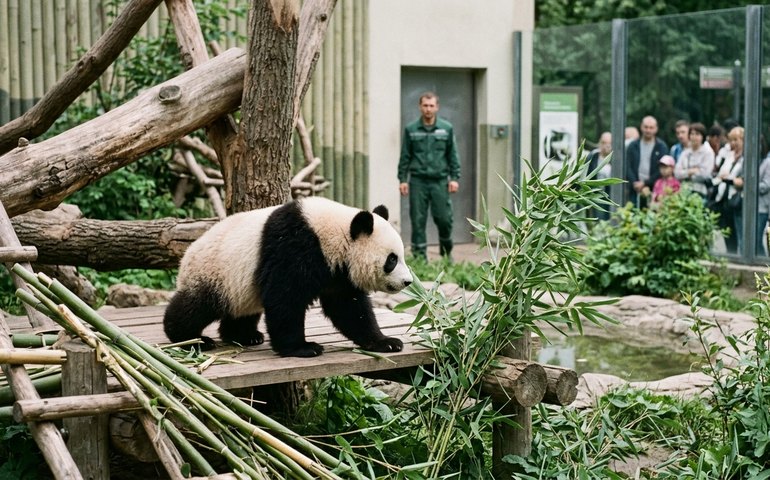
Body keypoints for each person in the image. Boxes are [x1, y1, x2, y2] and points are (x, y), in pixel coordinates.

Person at [398, 92, 460, 261]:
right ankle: (420, 260)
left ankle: (447, 255)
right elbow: (405, 156)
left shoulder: (446, 129)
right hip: (418, 181)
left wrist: (454, 177)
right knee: (418, 220)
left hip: (440, 182)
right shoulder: (411, 130)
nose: (428, 109)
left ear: (437, 107)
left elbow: (452, 155)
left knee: (444, 219)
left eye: (431, 106)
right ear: (420, 107)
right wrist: (403, 179)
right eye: (425, 105)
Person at [711, 126, 744, 253]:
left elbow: (741, 180)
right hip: (723, 198)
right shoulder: (729, 156)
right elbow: (720, 174)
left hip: (736, 200)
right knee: (727, 233)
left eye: (736, 140)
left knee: (738, 233)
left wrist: (728, 178)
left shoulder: (746, 158)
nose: (733, 143)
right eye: (731, 140)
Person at [626, 116, 668, 209]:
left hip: (654, 189)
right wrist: (635, 183)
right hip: (635, 188)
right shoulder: (633, 146)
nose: (648, 130)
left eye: (651, 127)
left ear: (656, 129)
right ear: (641, 127)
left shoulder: (661, 147)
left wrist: (645, 183)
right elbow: (627, 166)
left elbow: (661, 169)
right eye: (646, 127)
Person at [674, 122, 714, 201]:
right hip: (684, 191)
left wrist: (685, 173)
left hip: (701, 192)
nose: (694, 137)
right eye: (692, 134)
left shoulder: (708, 152)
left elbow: (704, 174)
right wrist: (691, 171)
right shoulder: (685, 153)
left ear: (703, 136)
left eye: (697, 134)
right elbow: (677, 173)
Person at [588, 131, 612, 220]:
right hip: (596, 194)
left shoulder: (616, 158)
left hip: (611, 195)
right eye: (604, 142)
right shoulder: (593, 157)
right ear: (599, 143)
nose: (607, 146)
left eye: (609, 143)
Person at [757, 152, 770, 256]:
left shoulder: (768, 162)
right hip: (757, 206)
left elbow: (766, 185)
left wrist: (749, 183)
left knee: (757, 240)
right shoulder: (757, 160)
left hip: (763, 206)